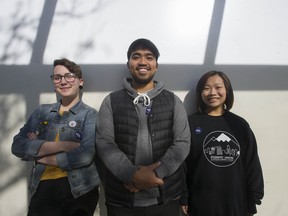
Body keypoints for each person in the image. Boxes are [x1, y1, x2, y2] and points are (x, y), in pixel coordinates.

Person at [95, 38, 191, 216]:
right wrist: (132, 174)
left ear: (156, 65)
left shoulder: (172, 101)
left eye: (149, 57)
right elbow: (104, 143)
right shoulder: (111, 101)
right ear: (128, 63)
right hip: (121, 199)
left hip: (165, 197)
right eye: (136, 56)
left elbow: (182, 142)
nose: (142, 62)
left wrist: (154, 175)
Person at [11, 58, 100, 216]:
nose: (63, 81)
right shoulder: (42, 112)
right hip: (43, 187)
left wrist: (39, 154)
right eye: (57, 77)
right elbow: (17, 146)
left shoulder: (90, 115)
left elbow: (85, 155)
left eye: (69, 76)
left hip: (79, 190)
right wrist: (64, 145)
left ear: (80, 81)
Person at [182, 71, 264, 216]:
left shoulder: (239, 125)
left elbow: (252, 163)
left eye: (218, 87)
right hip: (201, 202)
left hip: (236, 203)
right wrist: (184, 197)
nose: (212, 92)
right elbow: (183, 165)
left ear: (227, 90)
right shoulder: (191, 123)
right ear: (200, 93)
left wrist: (254, 198)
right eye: (206, 88)